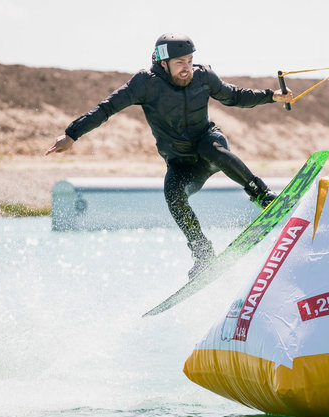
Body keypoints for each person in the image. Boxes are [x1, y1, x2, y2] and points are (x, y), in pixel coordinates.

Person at [45, 33, 293, 278]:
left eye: (189, 60)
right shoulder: (145, 83)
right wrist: (72, 135)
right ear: (163, 63)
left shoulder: (203, 76)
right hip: (182, 163)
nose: (187, 68)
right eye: (179, 63)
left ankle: (262, 196)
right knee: (173, 194)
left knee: (212, 148)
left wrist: (271, 96)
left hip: (209, 143)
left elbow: (235, 95)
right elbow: (106, 108)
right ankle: (202, 253)